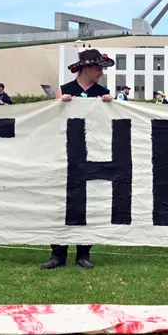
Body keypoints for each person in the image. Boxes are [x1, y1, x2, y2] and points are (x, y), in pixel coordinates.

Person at [44, 48, 115, 270]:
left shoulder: (103, 92)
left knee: (89, 204)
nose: (100, 73)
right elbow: (52, 121)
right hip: (66, 154)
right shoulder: (65, 90)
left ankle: (84, 253)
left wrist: (111, 104)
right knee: (60, 204)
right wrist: (59, 104)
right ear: (85, 68)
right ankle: (58, 254)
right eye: (97, 68)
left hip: (92, 154)